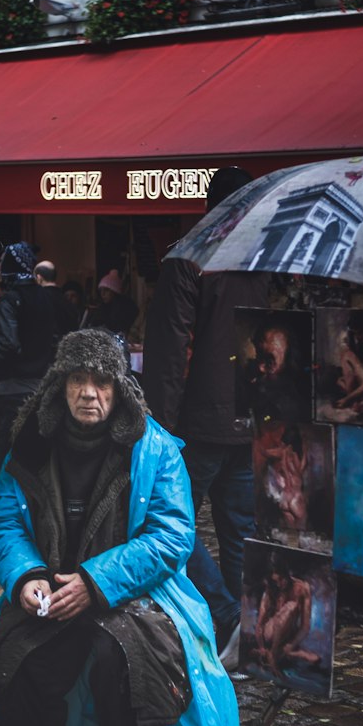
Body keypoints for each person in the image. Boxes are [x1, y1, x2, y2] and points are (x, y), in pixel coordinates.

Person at [0, 328, 241, 726]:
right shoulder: (30, 442)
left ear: (120, 387)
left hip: (138, 594)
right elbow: (4, 521)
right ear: (61, 383)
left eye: (101, 381)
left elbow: (172, 535)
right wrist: (26, 578)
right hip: (50, 585)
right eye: (78, 379)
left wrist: (96, 583)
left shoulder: (153, 446)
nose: (89, 393)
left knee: (122, 655)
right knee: (20, 649)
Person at [142, 167, 271, 671]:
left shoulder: (188, 259)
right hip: (248, 416)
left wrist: (159, 426)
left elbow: (172, 353)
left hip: (198, 424)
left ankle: (224, 615)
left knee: (171, 521)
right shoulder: (261, 260)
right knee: (239, 527)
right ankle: (246, 628)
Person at [0, 241, 57, 463]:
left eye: (2, 262)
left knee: (8, 453)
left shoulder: (11, 300)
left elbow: (9, 344)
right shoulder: (46, 297)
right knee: (34, 452)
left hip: (14, 385)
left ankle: (6, 497)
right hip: (41, 384)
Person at [255, 564, 319, 675]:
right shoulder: (270, 591)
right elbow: (260, 625)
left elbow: (305, 626)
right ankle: (273, 654)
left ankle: (279, 654)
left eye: (281, 579)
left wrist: (291, 645)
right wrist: (261, 647)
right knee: (289, 607)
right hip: (270, 634)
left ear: (287, 575)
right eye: (275, 582)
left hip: (288, 636)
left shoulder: (301, 588)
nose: (279, 584)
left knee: (314, 659)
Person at [35, 258, 81, 346]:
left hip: (47, 353)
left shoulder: (38, 300)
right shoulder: (67, 301)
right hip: (68, 350)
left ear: (39, 277)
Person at [84, 269, 138, 337]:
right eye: (101, 290)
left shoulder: (127, 309)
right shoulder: (101, 308)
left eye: (106, 290)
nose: (102, 294)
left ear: (115, 292)